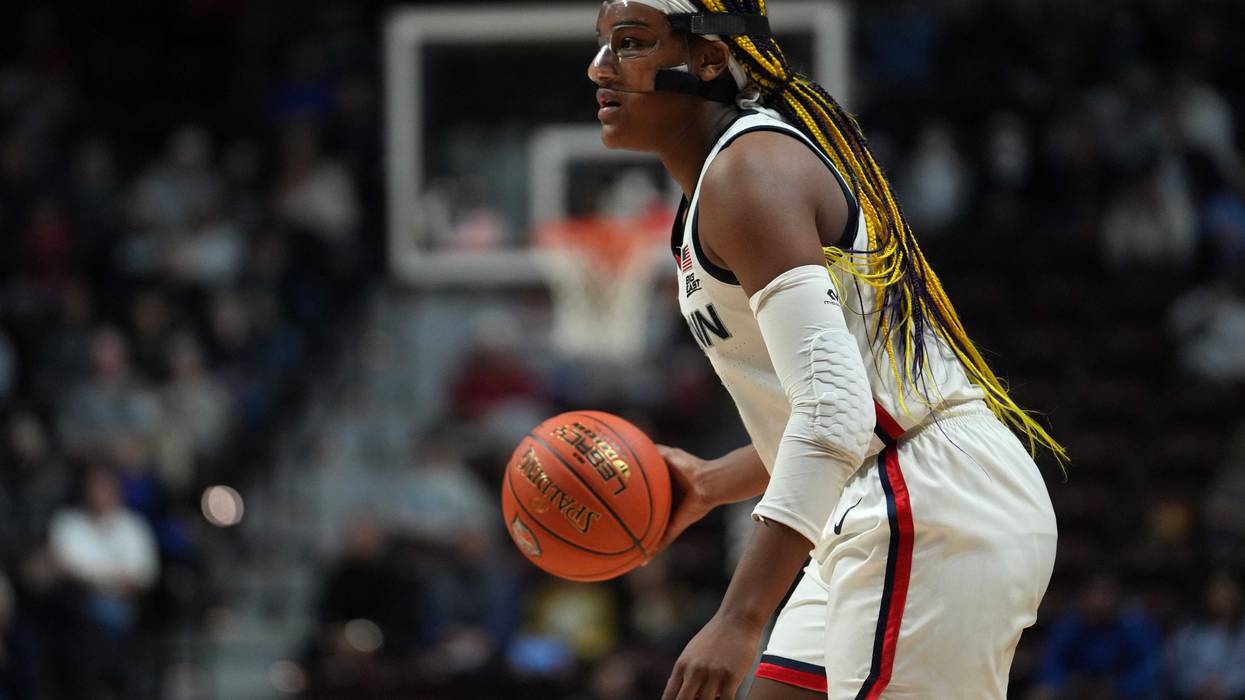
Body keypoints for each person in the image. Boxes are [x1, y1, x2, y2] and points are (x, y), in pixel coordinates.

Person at [587, 1, 1065, 698]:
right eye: (602, 45)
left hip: (924, 499)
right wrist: (712, 481)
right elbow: (846, 407)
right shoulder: (722, 180)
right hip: (879, 491)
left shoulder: (747, 174)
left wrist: (739, 616)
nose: (599, 68)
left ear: (711, 59)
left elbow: (837, 413)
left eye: (629, 44)